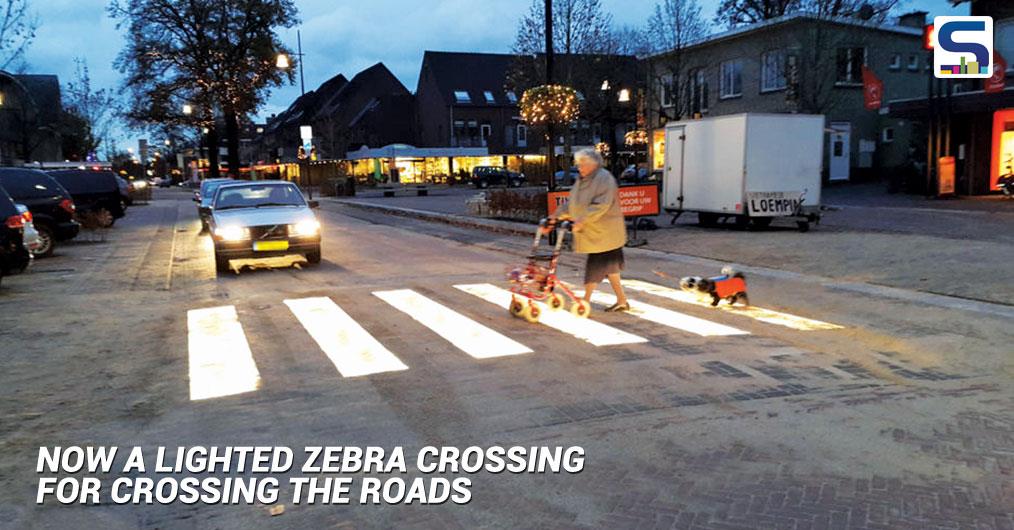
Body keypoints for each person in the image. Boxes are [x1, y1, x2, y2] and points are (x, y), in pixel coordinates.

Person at [549, 148, 630, 312]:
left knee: (595, 267)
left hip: (605, 232)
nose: (579, 168)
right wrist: (555, 217)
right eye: (578, 164)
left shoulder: (604, 178)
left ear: (593, 164)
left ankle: (584, 302)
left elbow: (602, 205)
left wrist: (582, 219)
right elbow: (572, 204)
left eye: (583, 164)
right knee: (610, 267)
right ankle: (622, 300)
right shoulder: (583, 180)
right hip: (595, 232)